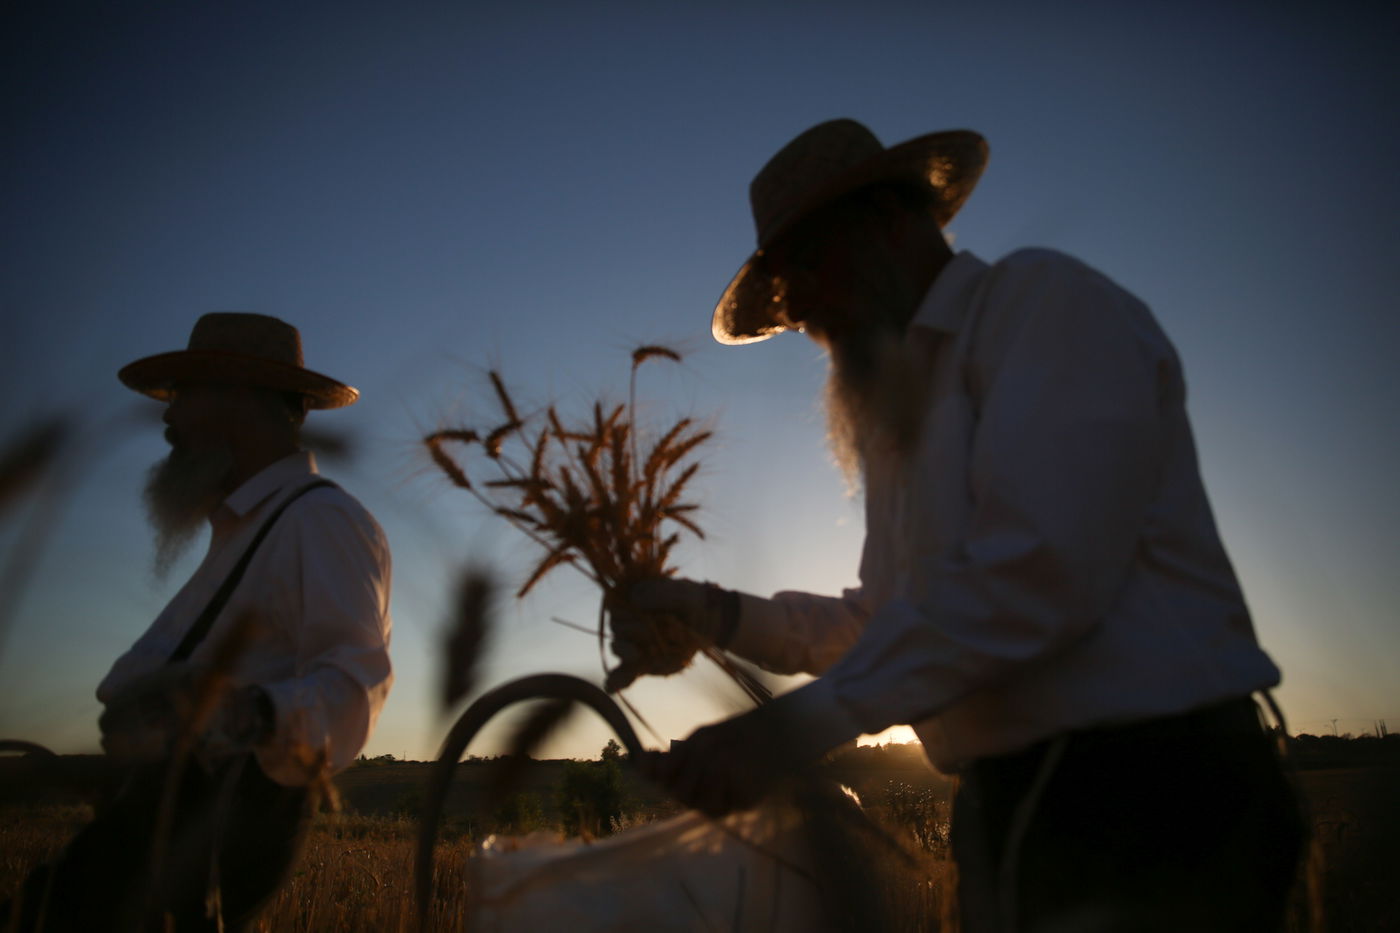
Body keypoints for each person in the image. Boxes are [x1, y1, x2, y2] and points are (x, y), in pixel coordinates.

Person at [613, 120, 1304, 931]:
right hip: (1011, 811)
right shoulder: (899, 418)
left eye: (805, 264)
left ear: (890, 222)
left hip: (1156, 797)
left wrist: (786, 734)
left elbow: (1040, 572)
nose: (795, 308)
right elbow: (885, 625)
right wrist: (717, 612)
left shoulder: (1042, 307)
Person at [4, 313, 393, 932]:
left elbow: (354, 687)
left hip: (200, 843)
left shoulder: (319, 521)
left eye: (182, 395)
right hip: (156, 837)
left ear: (239, 395)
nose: (167, 419)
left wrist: (241, 716)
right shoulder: (246, 532)